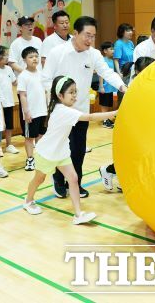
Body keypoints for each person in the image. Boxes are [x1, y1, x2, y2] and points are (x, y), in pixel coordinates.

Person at [42, 16, 127, 198]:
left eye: (93, 36)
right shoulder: (58, 52)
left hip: (81, 111)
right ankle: (58, 179)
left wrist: (122, 87)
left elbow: (107, 72)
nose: (90, 40)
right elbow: (46, 79)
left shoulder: (94, 54)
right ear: (75, 33)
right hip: (61, 113)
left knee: (78, 150)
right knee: (61, 148)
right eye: (86, 35)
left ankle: (76, 182)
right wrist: (56, 102)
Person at [22, 76, 117, 224]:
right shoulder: (62, 111)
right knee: (39, 179)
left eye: (75, 92)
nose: (74, 95)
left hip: (61, 151)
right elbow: (91, 117)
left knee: (73, 178)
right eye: (71, 92)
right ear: (60, 95)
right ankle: (28, 201)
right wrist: (113, 113)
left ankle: (78, 215)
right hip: (47, 152)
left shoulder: (65, 109)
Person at [99, 56, 155, 192]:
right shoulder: (134, 86)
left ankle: (124, 181)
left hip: (144, 126)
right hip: (131, 127)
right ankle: (107, 170)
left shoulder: (149, 83)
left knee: (138, 157)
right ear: (139, 72)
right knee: (131, 157)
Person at [17, 46, 47, 171]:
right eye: (31, 57)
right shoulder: (23, 76)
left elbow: (45, 92)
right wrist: (26, 112)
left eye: (36, 56)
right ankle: (30, 159)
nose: (34, 59)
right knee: (30, 138)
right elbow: (22, 95)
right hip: (31, 113)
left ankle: (39, 157)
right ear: (24, 60)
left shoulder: (41, 74)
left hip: (42, 111)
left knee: (40, 135)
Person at [0, 46, 19, 156]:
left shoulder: (8, 69)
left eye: (8, 55)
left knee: (9, 125)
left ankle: (9, 145)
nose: (7, 58)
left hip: (9, 101)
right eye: (5, 55)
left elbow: (14, 82)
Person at [98, 42, 117, 129]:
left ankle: (106, 119)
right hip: (104, 86)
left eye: (113, 49)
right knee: (104, 104)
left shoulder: (111, 60)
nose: (113, 50)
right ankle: (105, 120)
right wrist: (101, 86)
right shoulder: (103, 60)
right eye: (111, 49)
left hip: (110, 87)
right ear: (105, 51)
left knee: (108, 104)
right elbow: (101, 74)